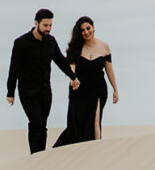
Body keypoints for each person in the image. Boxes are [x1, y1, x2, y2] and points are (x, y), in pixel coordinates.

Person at [6, 8, 81, 154]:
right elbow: (14, 68)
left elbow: (60, 61)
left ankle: (41, 155)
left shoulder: (51, 42)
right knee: (36, 123)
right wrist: (10, 92)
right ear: (36, 23)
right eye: (45, 25)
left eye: (50, 25)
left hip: (45, 90)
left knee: (43, 126)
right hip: (27, 91)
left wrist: (73, 77)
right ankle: (35, 156)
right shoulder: (22, 43)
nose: (48, 28)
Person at [53, 16, 119, 147]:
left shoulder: (104, 46)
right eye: (82, 30)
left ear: (93, 27)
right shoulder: (76, 48)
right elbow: (71, 67)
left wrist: (115, 89)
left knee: (95, 119)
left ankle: (96, 148)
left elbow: (109, 69)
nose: (86, 32)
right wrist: (73, 79)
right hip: (79, 89)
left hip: (98, 89)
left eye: (88, 28)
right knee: (77, 123)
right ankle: (70, 151)